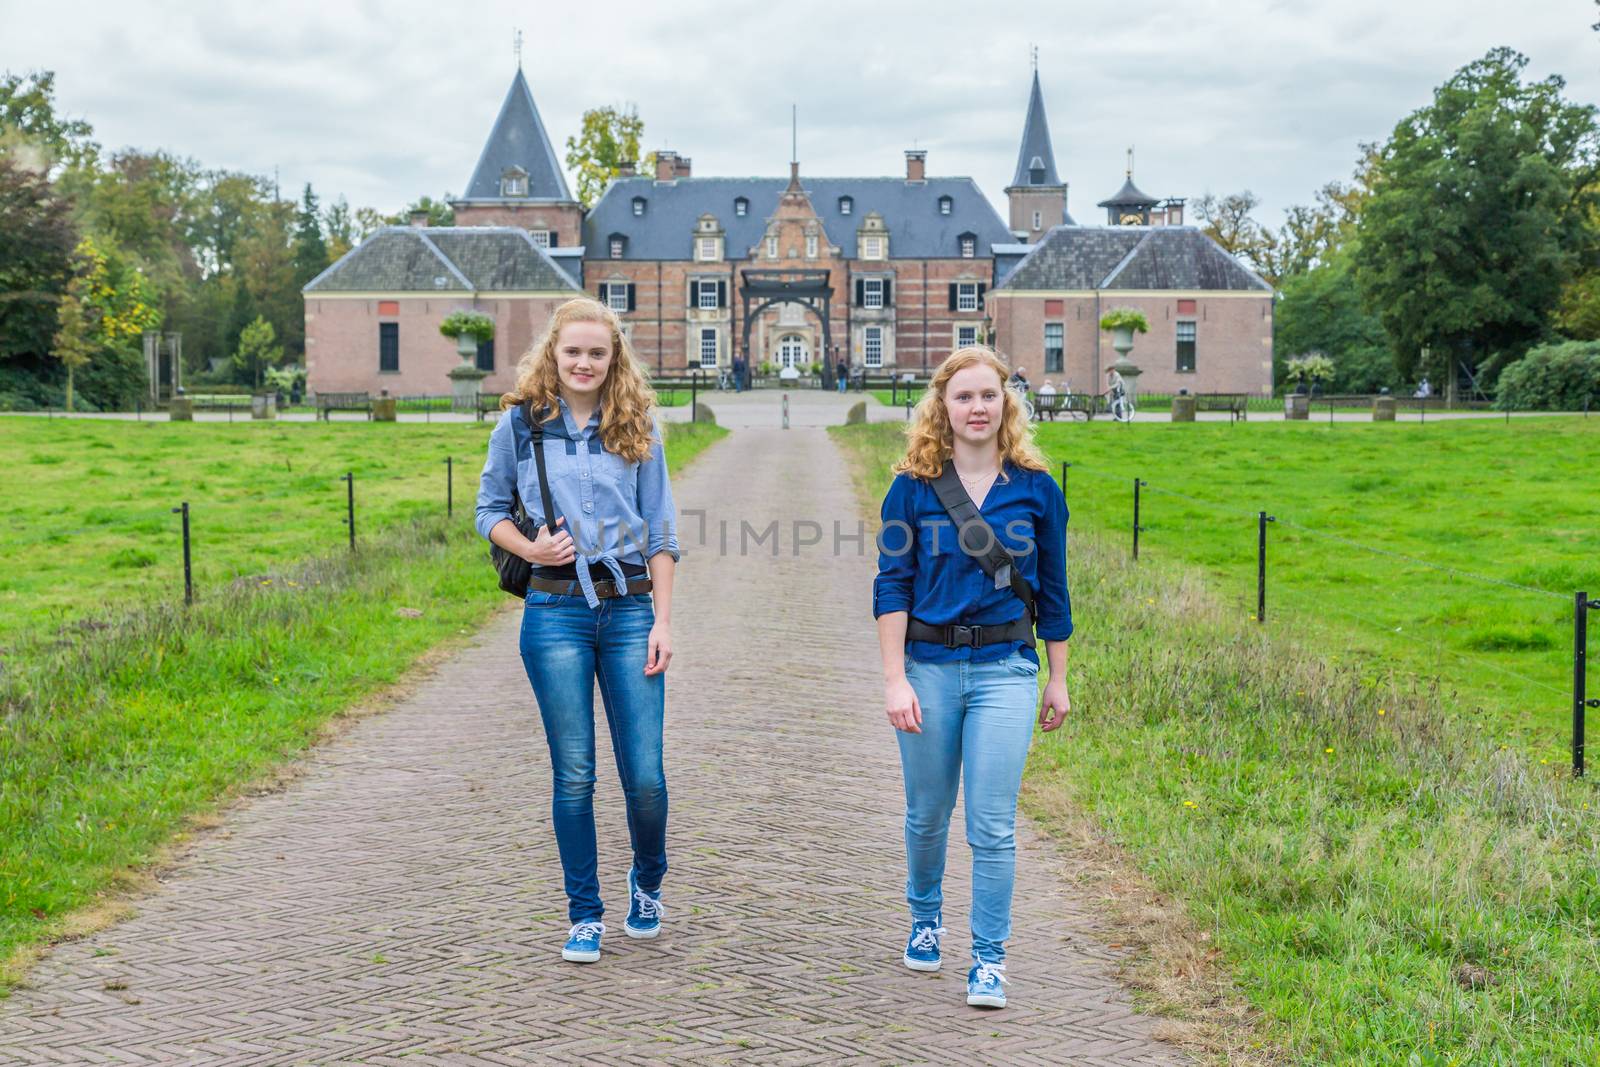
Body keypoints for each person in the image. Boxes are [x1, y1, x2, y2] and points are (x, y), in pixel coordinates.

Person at [476, 297, 680, 964]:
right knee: (575, 774)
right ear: (553, 356)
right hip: (554, 613)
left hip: (629, 611)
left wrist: (664, 622)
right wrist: (530, 550)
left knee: (645, 777)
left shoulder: (639, 424)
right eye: (573, 352)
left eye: (598, 352)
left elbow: (662, 534)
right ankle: (584, 911)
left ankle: (647, 880)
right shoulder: (519, 424)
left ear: (613, 357)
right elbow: (487, 511)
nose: (585, 363)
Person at [873, 345, 1073, 1010]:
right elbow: (891, 584)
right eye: (964, 397)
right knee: (928, 815)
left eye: (989, 395)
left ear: (1006, 402)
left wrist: (1057, 677)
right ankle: (925, 917)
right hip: (928, 668)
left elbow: (1054, 591)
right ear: (943, 405)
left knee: (992, 823)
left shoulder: (1037, 490)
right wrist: (894, 677)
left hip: (1005, 671)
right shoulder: (912, 487)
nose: (978, 407)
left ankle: (990, 958)